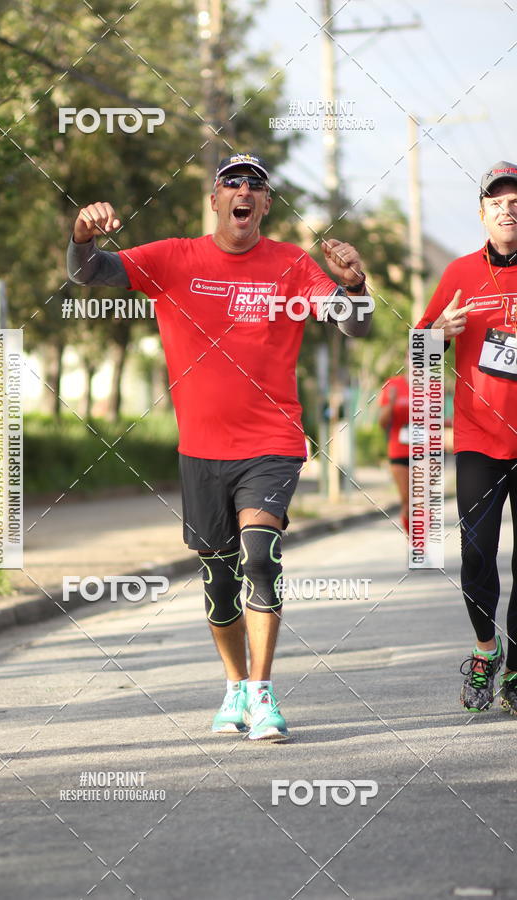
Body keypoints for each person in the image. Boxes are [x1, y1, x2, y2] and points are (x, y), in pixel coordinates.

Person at [67, 152, 372, 741]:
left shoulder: (290, 264)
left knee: (260, 556)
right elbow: (88, 273)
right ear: (215, 199)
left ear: (264, 205)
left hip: (273, 441)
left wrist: (356, 286)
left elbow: (350, 322)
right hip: (201, 450)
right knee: (220, 576)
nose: (243, 191)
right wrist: (80, 235)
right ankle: (234, 685)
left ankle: (262, 692)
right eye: (232, 182)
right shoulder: (172, 258)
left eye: (255, 186)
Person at [416, 160, 517, 715]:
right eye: (497, 202)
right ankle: (486, 652)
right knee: (476, 554)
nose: (508, 209)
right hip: (479, 438)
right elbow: (420, 354)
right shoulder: (457, 274)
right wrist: (438, 335)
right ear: (482, 214)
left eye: (515, 201)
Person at [378, 370, 410, 539]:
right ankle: (414, 541)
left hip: (427, 450)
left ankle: (421, 543)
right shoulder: (392, 385)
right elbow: (382, 423)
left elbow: (441, 417)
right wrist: (390, 403)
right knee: (407, 501)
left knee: (421, 500)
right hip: (399, 450)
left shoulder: (433, 384)